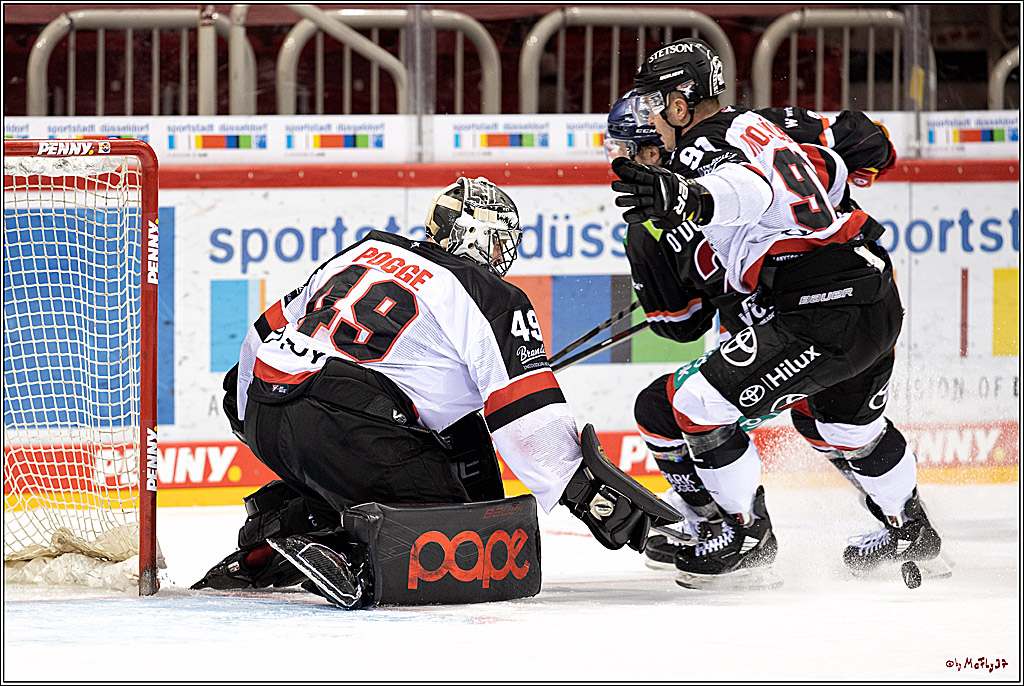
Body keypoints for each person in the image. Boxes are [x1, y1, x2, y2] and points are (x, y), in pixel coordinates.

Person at [192, 176, 679, 607]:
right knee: (468, 538)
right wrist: (584, 492)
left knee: (422, 466)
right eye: (502, 241)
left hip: (266, 408)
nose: (505, 256)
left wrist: (246, 409)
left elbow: (264, 329)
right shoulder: (490, 294)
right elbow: (525, 416)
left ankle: (276, 528)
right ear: (479, 238)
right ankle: (345, 548)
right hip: (345, 426)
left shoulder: (366, 250)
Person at [609, 38, 944, 587]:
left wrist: (693, 201)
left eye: (654, 103)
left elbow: (747, 189)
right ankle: (911, 529)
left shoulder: (698, 148)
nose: (650, 119)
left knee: (688, 405)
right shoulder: (764, 127)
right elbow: (842, 162)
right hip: (872, 293)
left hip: (817, 306)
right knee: (837, 425)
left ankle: (743, 535)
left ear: (680, 102)